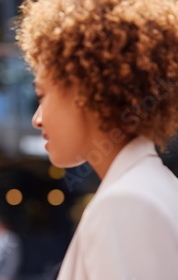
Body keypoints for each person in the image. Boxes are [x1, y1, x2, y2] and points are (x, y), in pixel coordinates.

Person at [16, 0, 178, 279]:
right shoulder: (154, 187)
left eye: (42, 95)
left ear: (85, 89)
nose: (37, 118)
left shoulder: (126, 204)